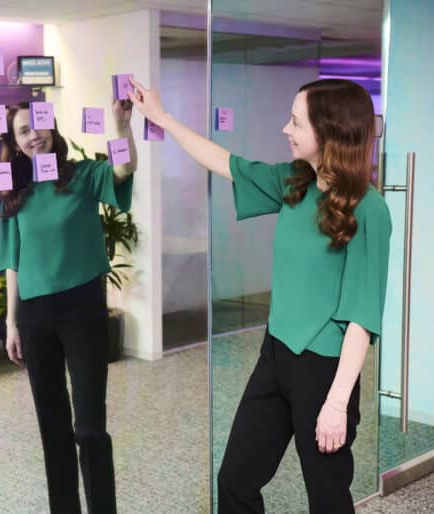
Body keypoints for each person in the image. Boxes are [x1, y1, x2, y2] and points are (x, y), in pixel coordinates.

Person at [128, 77, 391, 513]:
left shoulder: (370, 209)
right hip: (275, 355)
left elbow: (362, 317)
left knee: (327, 498)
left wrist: (336, 403)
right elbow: (224, 162)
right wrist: (162, 118)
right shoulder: (295, 182)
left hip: (324, 369)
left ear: (330, 132)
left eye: (296, 122)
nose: (285, 129)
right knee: (234, 480)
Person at [0, 99, 137, 514]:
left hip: (83, 308)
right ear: (15, 142)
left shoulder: (82, 174)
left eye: (38, 125)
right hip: (34, 315)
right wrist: (11, 323)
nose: (33, 136)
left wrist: (121, 126)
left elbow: (124, 169)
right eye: (23, 131)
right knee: (53, 426)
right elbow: (12, 260)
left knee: (90, 427)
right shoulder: (13, 193)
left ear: (52, 126)